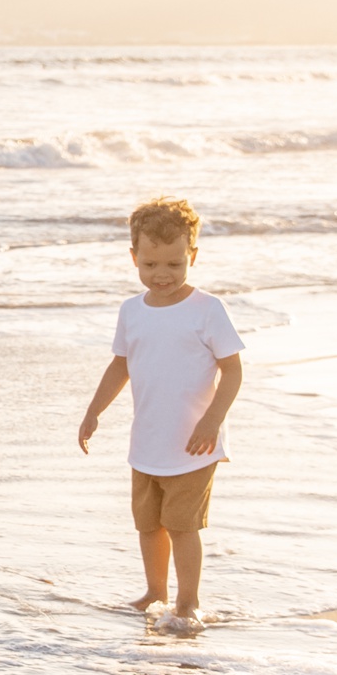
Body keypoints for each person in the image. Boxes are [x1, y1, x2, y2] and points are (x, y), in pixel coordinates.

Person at [77, 196, 244, 632]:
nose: (162, 275)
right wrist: (94, 411)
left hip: (194, 444)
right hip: (146, 442)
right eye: (150, 265)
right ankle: (156, 591)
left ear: (192, 255)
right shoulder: (131, 311)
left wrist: (212, 420)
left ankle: (188, 601)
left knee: (183, 526)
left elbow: (233, 370)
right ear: (134, 257)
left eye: (174, 264)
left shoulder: (208, 309)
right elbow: (121, 365)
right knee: (149, 525)